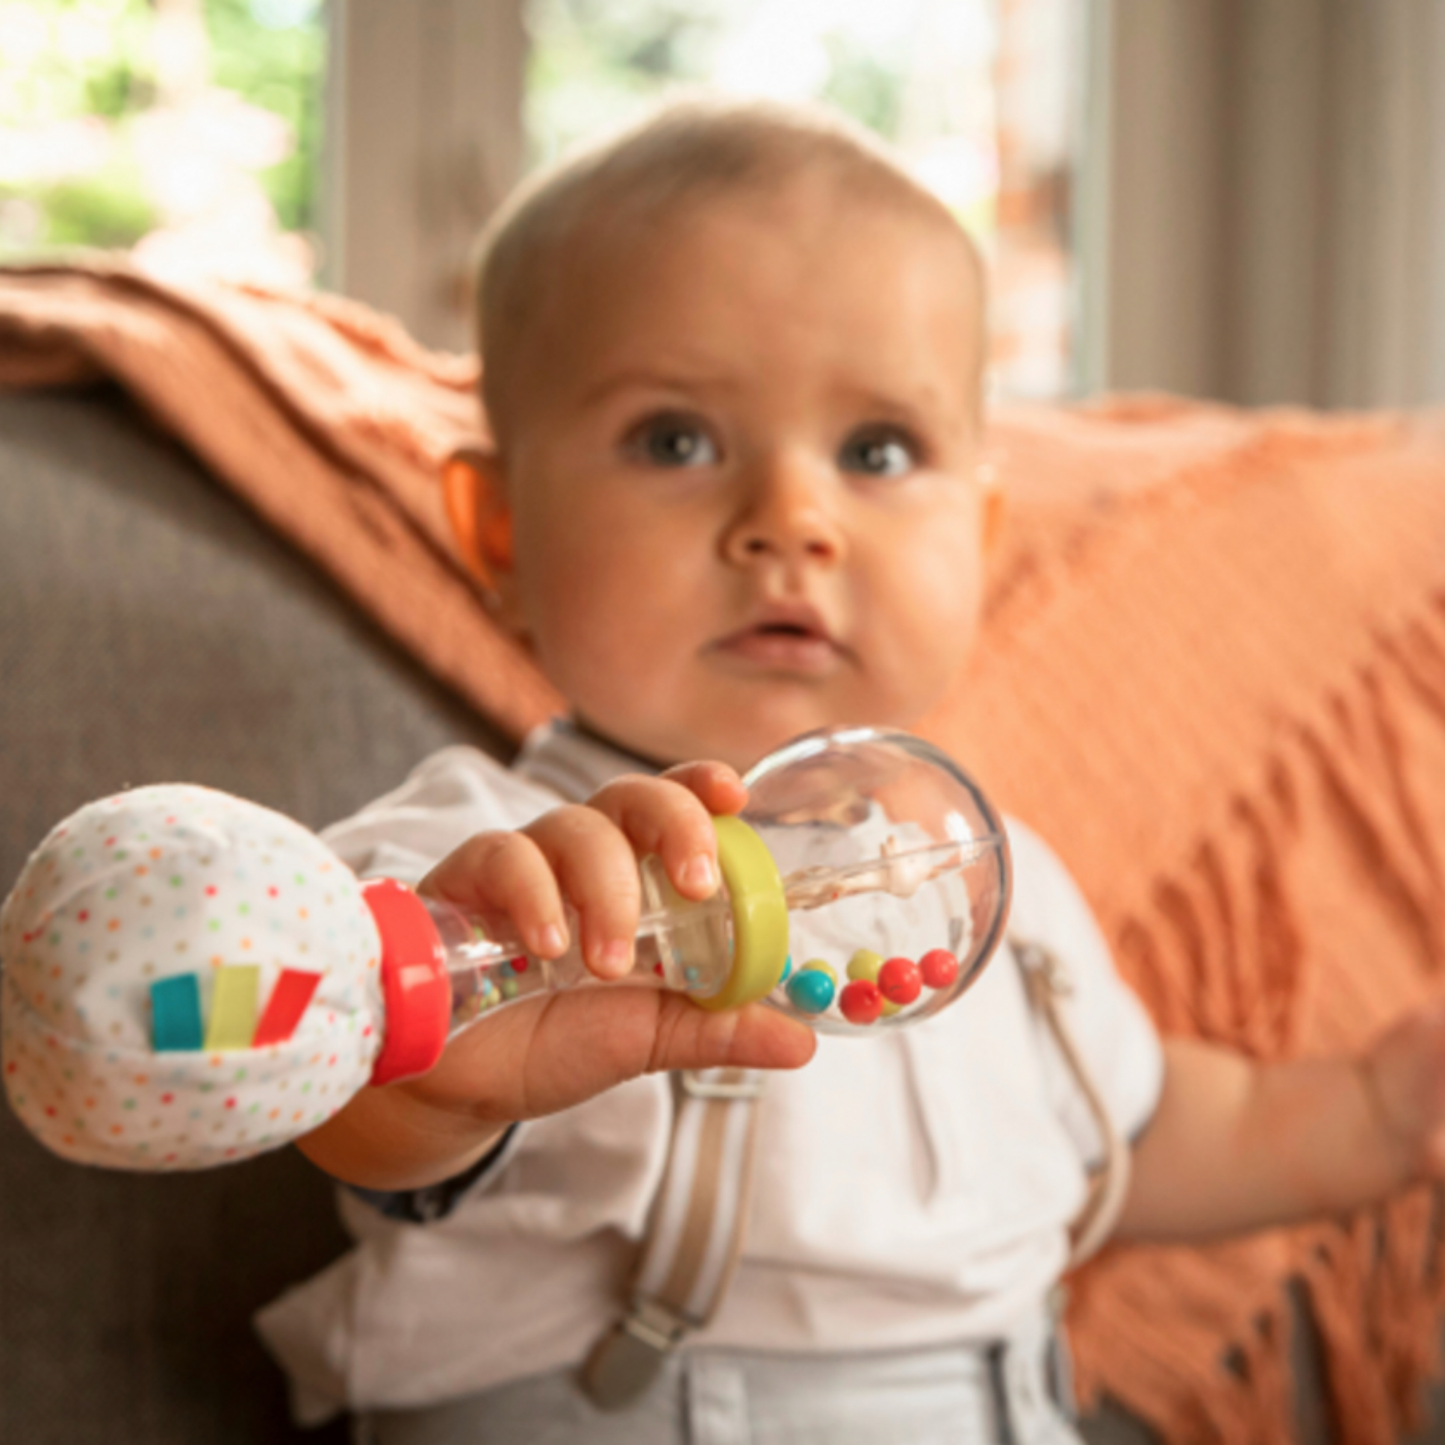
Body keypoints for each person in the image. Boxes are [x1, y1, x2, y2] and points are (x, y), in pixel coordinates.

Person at [257, 101, 1445, 1445]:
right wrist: (441, 1060)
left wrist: (1373, 1115)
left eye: (877, 453)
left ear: (982, 534)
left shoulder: (981, 874)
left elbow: (1149, 1127)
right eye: (676, 441)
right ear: (502, 530)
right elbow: (342, 1077)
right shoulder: (492, 852)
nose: (792, 521)